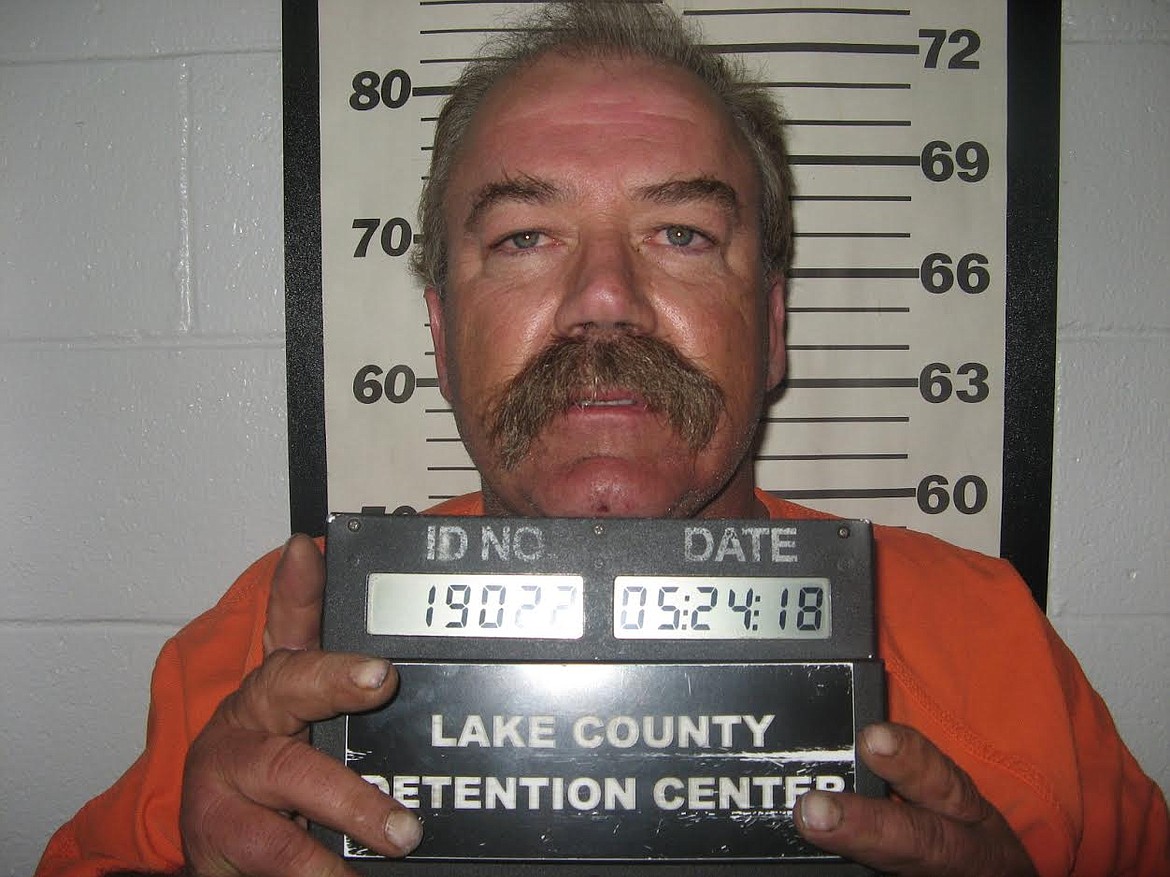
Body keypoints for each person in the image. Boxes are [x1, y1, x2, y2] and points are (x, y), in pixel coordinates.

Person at [36, 4, 1168, 876]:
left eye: (682, 233)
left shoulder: (991, 645)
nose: (606, 299)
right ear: (441, 333)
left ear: (772, 325)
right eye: (526, 237)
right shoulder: (262, 660)